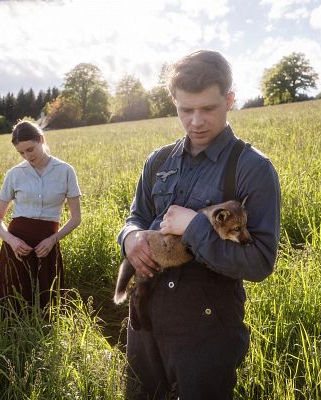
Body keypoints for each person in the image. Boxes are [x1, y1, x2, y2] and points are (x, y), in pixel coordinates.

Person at [117, 50, 281, 399]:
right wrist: (130, 237)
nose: (196, 122)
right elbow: (136, 217)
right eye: (185, 110)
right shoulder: (157, 161)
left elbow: (261, 262)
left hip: (206, 335)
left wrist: (194, 227)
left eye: (208, 109)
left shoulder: (252, 169)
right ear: (173, 102)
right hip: (144, 324)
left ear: (230, 100)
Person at [0, 119, 81, 316]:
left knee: (48, 306)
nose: (27, 156)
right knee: (13, 306)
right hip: (16, 247)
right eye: (21, 153)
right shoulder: (14, 174)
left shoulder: (66, 171)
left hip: (47, 245)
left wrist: (52, 240)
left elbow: (76, 218)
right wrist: (12, 241)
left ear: (42, 139)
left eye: (30, 149)